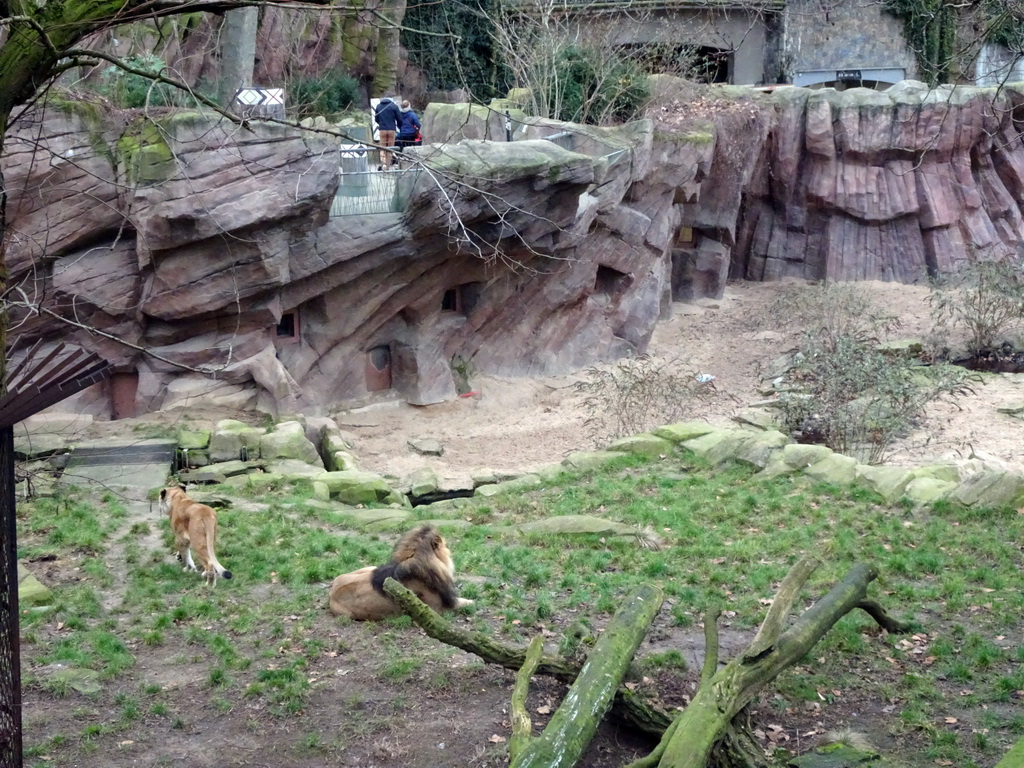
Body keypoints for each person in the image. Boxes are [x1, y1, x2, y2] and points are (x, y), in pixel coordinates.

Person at [374, 95, 401, 170]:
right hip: (392, 129)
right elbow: (399, 118)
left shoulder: (378, 106)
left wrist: (381, 124)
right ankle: (388, 166)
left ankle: (383, 165)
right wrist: (399, 126)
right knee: (390, 148)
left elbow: (376, 118)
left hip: (382, 129)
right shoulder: (394, 106)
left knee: (382, 148)